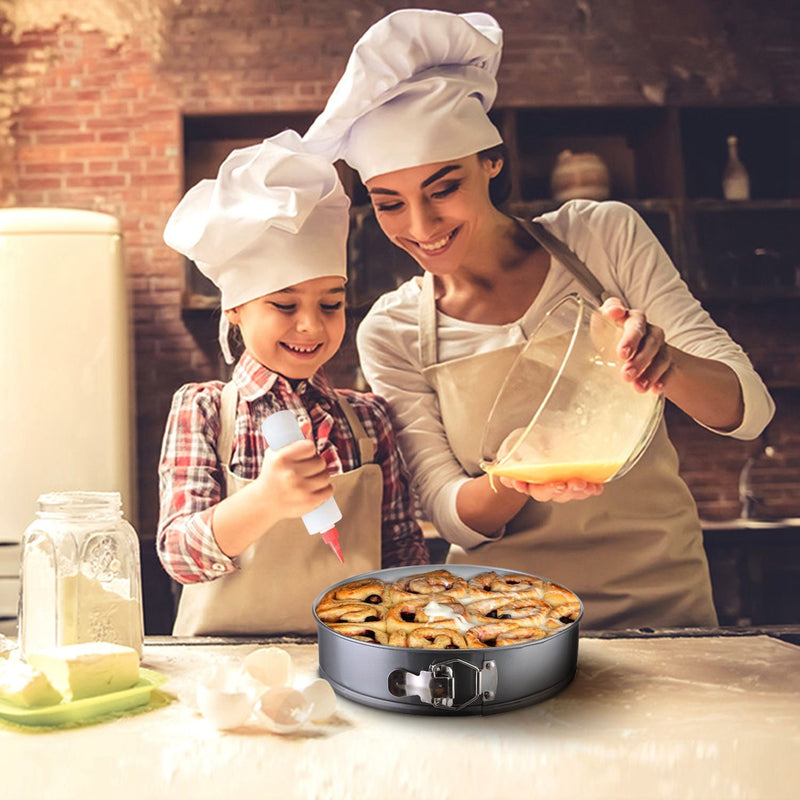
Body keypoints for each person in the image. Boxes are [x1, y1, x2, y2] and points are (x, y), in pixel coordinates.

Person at [302, 9, 775, 630]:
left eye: (443, 188)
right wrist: (517, 479)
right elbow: (448, 512)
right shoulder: (391, 332)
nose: (419, 228)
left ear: (492, 161)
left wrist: (667, 364)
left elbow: (747, 412)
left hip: (661, 600)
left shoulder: (602, 238)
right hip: (505, 617)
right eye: (391, 204)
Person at [157, 130, 428, 636]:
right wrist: (265, 501)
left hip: (352, 656)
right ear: (235, 309)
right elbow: (179, 556)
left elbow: (402, 548)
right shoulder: (206, 411)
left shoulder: (368, 419)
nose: (311, 325)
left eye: (331, 304)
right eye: (284, 305)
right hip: (229, 668)